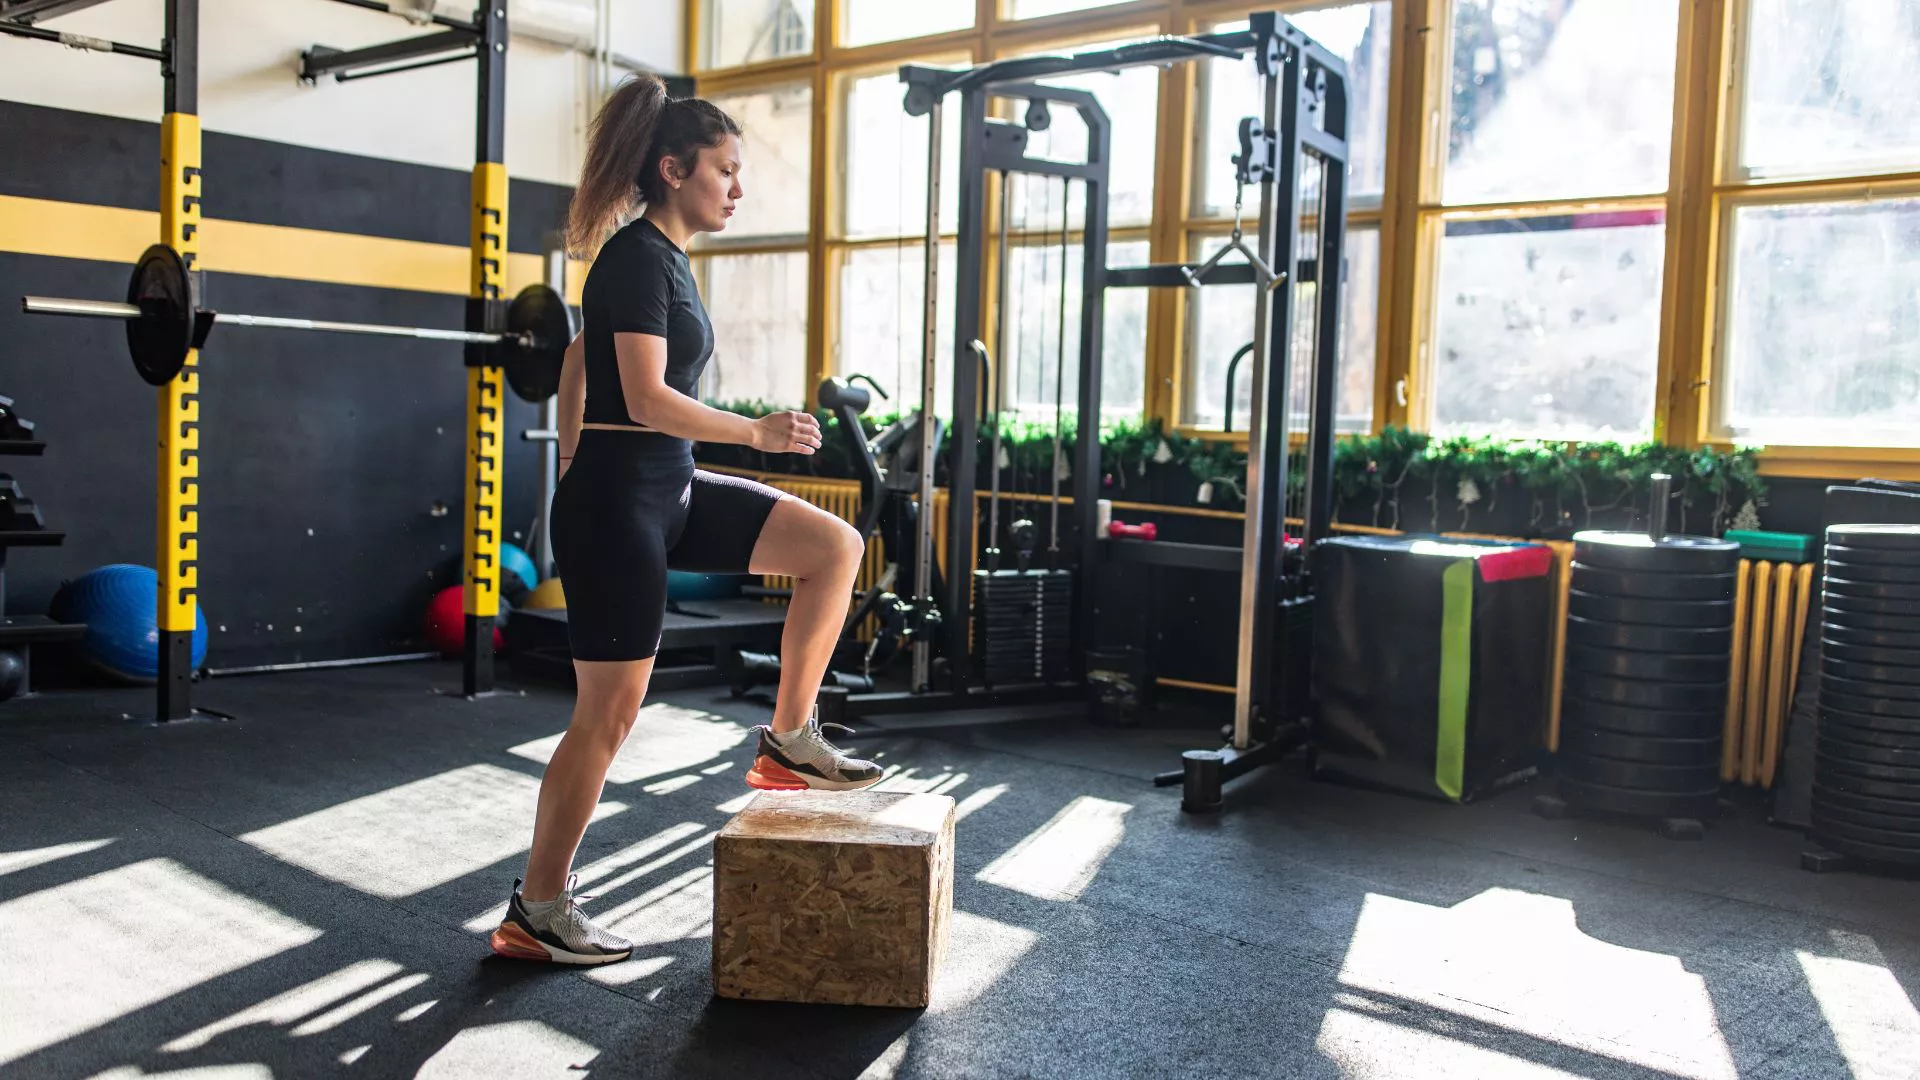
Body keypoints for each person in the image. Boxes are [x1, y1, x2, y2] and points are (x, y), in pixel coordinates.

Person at [489, 75, 885, 967]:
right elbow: (646, 395)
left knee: (834, 546)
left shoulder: (662, 261)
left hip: (661, 488)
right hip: (619, 509)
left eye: (740, 172)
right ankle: (537, 907)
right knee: (609, 715)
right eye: (725, 171)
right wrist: (754, 433)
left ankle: (788, 740)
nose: (738, 188)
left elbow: (581, 362)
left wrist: (571, 459)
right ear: (672, 170)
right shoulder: (634, 258)